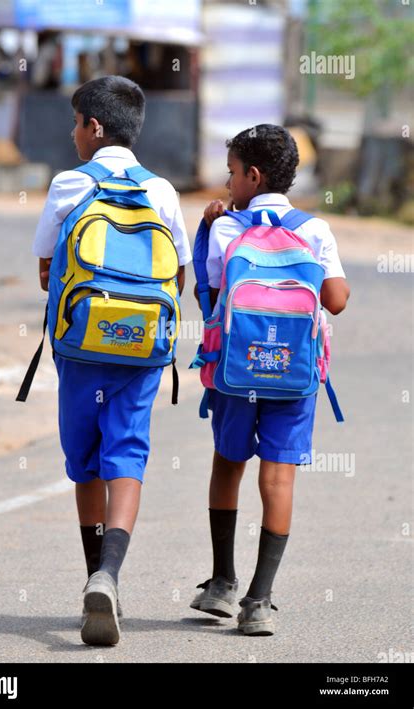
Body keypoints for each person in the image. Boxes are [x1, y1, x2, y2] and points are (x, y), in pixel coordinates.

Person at [32, 76, 192, 646]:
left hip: (81, 346)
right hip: (141, 347)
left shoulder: (69, 184)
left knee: (86, 462)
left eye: (76, 123)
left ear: (94, 128)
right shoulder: (165, 192)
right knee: (127, 452)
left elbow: (49, 272)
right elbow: (176, 275)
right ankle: (110, 575)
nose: (73, 134)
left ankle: (95, 580)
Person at [191, 124, 350, 636]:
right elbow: (336, 300)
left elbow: (211, 296)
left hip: (237, 375)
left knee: (227, 465)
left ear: (253, 176)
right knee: (278, 479)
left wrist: (209, 224)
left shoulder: (225, 229)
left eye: (232, 173)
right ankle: (259, 601)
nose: (228, 183)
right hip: (295, 376)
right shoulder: (315, 229)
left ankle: (221, 582)